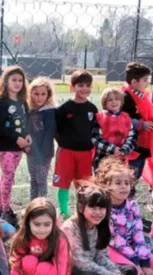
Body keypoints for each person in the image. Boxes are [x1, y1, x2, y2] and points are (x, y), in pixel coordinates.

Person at [95, 157, 153, 275]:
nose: (124, 186)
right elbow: (115, 239)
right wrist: (136, 263)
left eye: (127, 183)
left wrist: (144, 261)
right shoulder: (105, 209)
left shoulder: (132, 205)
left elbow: (138, 233)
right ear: (106, 186)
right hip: (111, 248)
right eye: (118, 183)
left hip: (131, 246)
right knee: (136, 272)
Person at [61, 185, 137, 275]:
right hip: (75, 270)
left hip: (94, 266)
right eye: (93, 207)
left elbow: (100, 256)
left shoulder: (100, 225)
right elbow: (80, 263)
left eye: (101, 208)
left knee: (130, 270)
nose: (98, 212)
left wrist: (115, 271)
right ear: (81, 207)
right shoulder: (69, 228)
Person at [53, 70, 100, 218]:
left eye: (87, 85)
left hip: (86, 153)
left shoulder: (92, 109)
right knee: (64, 183)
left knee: (84, 185)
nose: (84, 88)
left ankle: (81, 211)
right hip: (66, 152)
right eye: (80, 85)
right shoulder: (64, 108)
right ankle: (64, 211)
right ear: (72, 87)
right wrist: (63, 143)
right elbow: (56, 130)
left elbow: (95, 132)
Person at [0, 66, 30, 218]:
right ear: (5, 82)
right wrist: (17, 138)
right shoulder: (1, 103)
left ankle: (0, 205)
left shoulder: (22, 102)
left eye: (20, 80)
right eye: (13, 80)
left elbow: (26, 122)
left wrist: (27, 136)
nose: (17, 83)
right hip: (5, 147)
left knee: (8, 176)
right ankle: (5, 209)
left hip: (18, 147)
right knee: (8, 176)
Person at [121, 62, 153, 186]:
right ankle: (126, 198)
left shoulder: (142, 95)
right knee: (130, 174)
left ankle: (129, 196)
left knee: (137, 172)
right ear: (134, 82)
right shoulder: (126, 97)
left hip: (143, 143)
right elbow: (123, 118)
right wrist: (141, 124)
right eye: (145, 80)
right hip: (133, 144)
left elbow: (147, 111)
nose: (147, 82)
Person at [9, 198, 69, 275]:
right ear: (28, 223)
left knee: (43, 268)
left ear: (53, 224)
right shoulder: (23, 237)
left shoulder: (60, 240)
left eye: (47, 224)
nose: (41, 230)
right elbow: (16, 264)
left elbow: (61, 268)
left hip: (51, 272)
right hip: (29, 271)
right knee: (29, 261)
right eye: (37, 224)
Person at [92, 88, 136, 172]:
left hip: (121, 158)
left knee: (118, 182)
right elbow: (96, 138)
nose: (114, 102)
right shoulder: (100, 117)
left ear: (121, 101)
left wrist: (125, 149)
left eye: (117, 99)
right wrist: (113, 149)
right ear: (104, 102)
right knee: (102, 182)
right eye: (110, 100)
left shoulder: (126, 118)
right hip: (103, 159)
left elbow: (132, 136)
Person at [26, 77, 56, 200]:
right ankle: (33, 204)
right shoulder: (30, 110)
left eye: (43, 94)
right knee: (33, 179)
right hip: (31, 151)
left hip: (44, 153)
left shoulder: (49, 111)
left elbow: (50, 133)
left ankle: (41, 205)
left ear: (48, 95)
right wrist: (26, 147)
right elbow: (27, 130)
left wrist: (42, 154)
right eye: (36, 94)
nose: (39, 97)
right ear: (31, 94)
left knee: (41, 180)